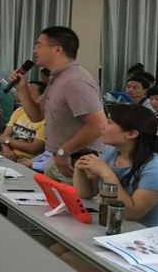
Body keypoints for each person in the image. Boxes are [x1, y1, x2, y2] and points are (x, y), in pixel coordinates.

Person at [52, 104, 158, 272]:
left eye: (110, 122)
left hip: (147, 241)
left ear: (131, 134)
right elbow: (87, 193)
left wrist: (106, 173)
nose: (102, 126)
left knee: (69, 260)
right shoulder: (111, 153)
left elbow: (131, 213)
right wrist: (80, 170)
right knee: (54, 250)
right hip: (114, 232)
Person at [9, 26, 106, 185]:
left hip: (76, 161)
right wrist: (22, 89)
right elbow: (36, 115)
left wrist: (64, 151)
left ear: (57, 50)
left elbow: (98, 125)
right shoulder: (58, 77)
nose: (35, 51)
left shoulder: (74, 81)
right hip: (58, 158)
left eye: (39, 45)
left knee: (74, 202)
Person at [0, 81, 47, 161]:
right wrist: (7, 150)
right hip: (6, 155)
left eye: (29, 94)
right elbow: (3, 137)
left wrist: (7, 140)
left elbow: (33, 148)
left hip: (25, 160)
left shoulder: (46, 120)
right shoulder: (20, 110)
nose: (24, 97)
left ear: (42, 98)